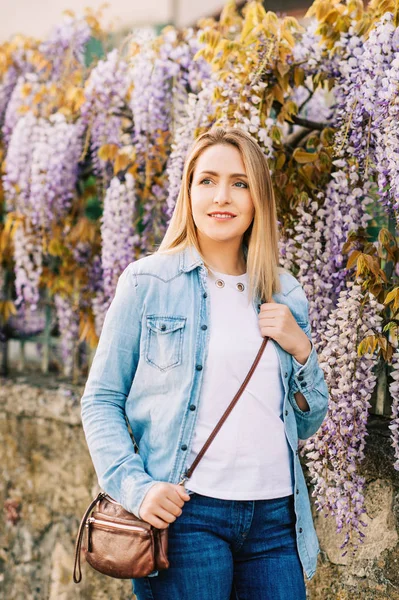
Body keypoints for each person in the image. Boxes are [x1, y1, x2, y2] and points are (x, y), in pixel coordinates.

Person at [80, 125, 329, 600]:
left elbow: (308, 420)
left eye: (240, 183)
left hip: (275, 519)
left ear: (258, 199)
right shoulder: (147, 283)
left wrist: (302, 351)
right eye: (207, 180)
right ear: (188, 192)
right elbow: (101, 400)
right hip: (187, 517)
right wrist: (137, 488)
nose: (223, 196)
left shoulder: (285, 291)